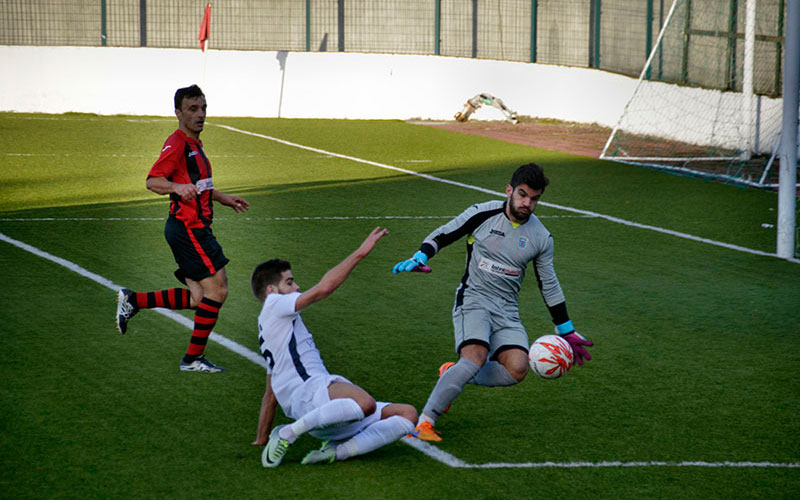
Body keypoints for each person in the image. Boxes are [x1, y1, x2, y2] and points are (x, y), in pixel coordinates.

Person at [392, 163, 593, 442]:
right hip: (473, 299)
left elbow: (549, 283)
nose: (527, 204)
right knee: (474, 357)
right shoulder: (482, 213)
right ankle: (424, 422)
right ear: (509, 190)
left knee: (518, 368)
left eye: (534, 199)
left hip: (507, 310)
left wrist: (566, 330)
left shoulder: (541, 237)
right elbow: (445, 233)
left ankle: (452, 374)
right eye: (522, 195)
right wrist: (420, 257)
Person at [251, 227, 418, 466]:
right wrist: (360, 253)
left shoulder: (273, 329)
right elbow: (323, 289)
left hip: (325, 414)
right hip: (311, 395)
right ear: (271, 291)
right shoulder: (274, 304)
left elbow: (270, 393)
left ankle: (335, 452)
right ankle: (289, 433)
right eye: (289, 282)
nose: (296, 286)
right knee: (365, 403)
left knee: (407, 414)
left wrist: (261, 438)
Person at [114, 84, 249, 373]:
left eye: (203, 108)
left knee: (200, 297)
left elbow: (197, 185)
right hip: (189, 228)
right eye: (192, 109)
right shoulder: (177, 143)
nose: (200, 115)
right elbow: (153, 181)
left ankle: (134, 301)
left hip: (192, 227)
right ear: (178, 113)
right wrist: (175, 187)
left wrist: (223, 198)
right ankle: (192, 359)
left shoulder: (195, 145)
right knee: (219, 289)